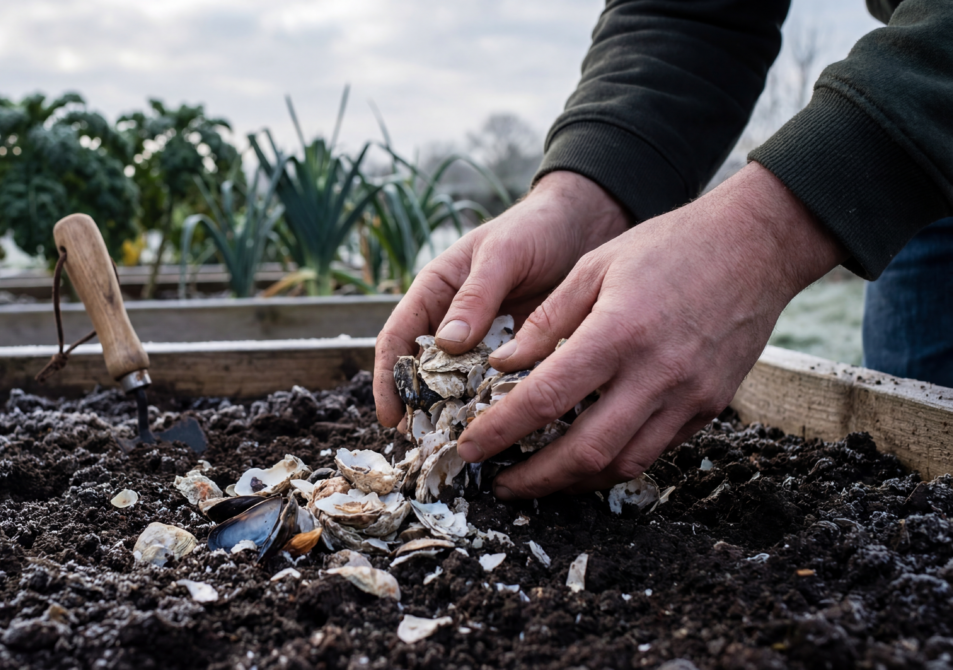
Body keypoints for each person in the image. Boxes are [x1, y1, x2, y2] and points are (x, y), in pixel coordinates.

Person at [373, 0, 953, 501]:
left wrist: (764, 237)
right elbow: (691, 12)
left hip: (918, 147)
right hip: (924, 178)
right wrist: (590, 188)